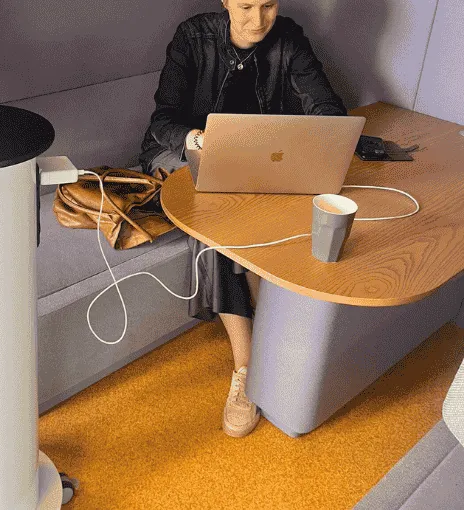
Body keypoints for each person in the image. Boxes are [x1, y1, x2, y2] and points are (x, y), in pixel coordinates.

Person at [138, 0, 346, 438]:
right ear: (225, 1)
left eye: (268, 4)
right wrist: (197, 139)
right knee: (213, 212)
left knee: (255, 205)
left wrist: (313, 139)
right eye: (246, 5)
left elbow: (328, 109)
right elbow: (163, 120)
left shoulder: (289, 38)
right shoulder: (192, 37)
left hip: (253, 158)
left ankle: (271, 323)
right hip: (183, 152)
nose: (258, 20)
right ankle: (247, 370)